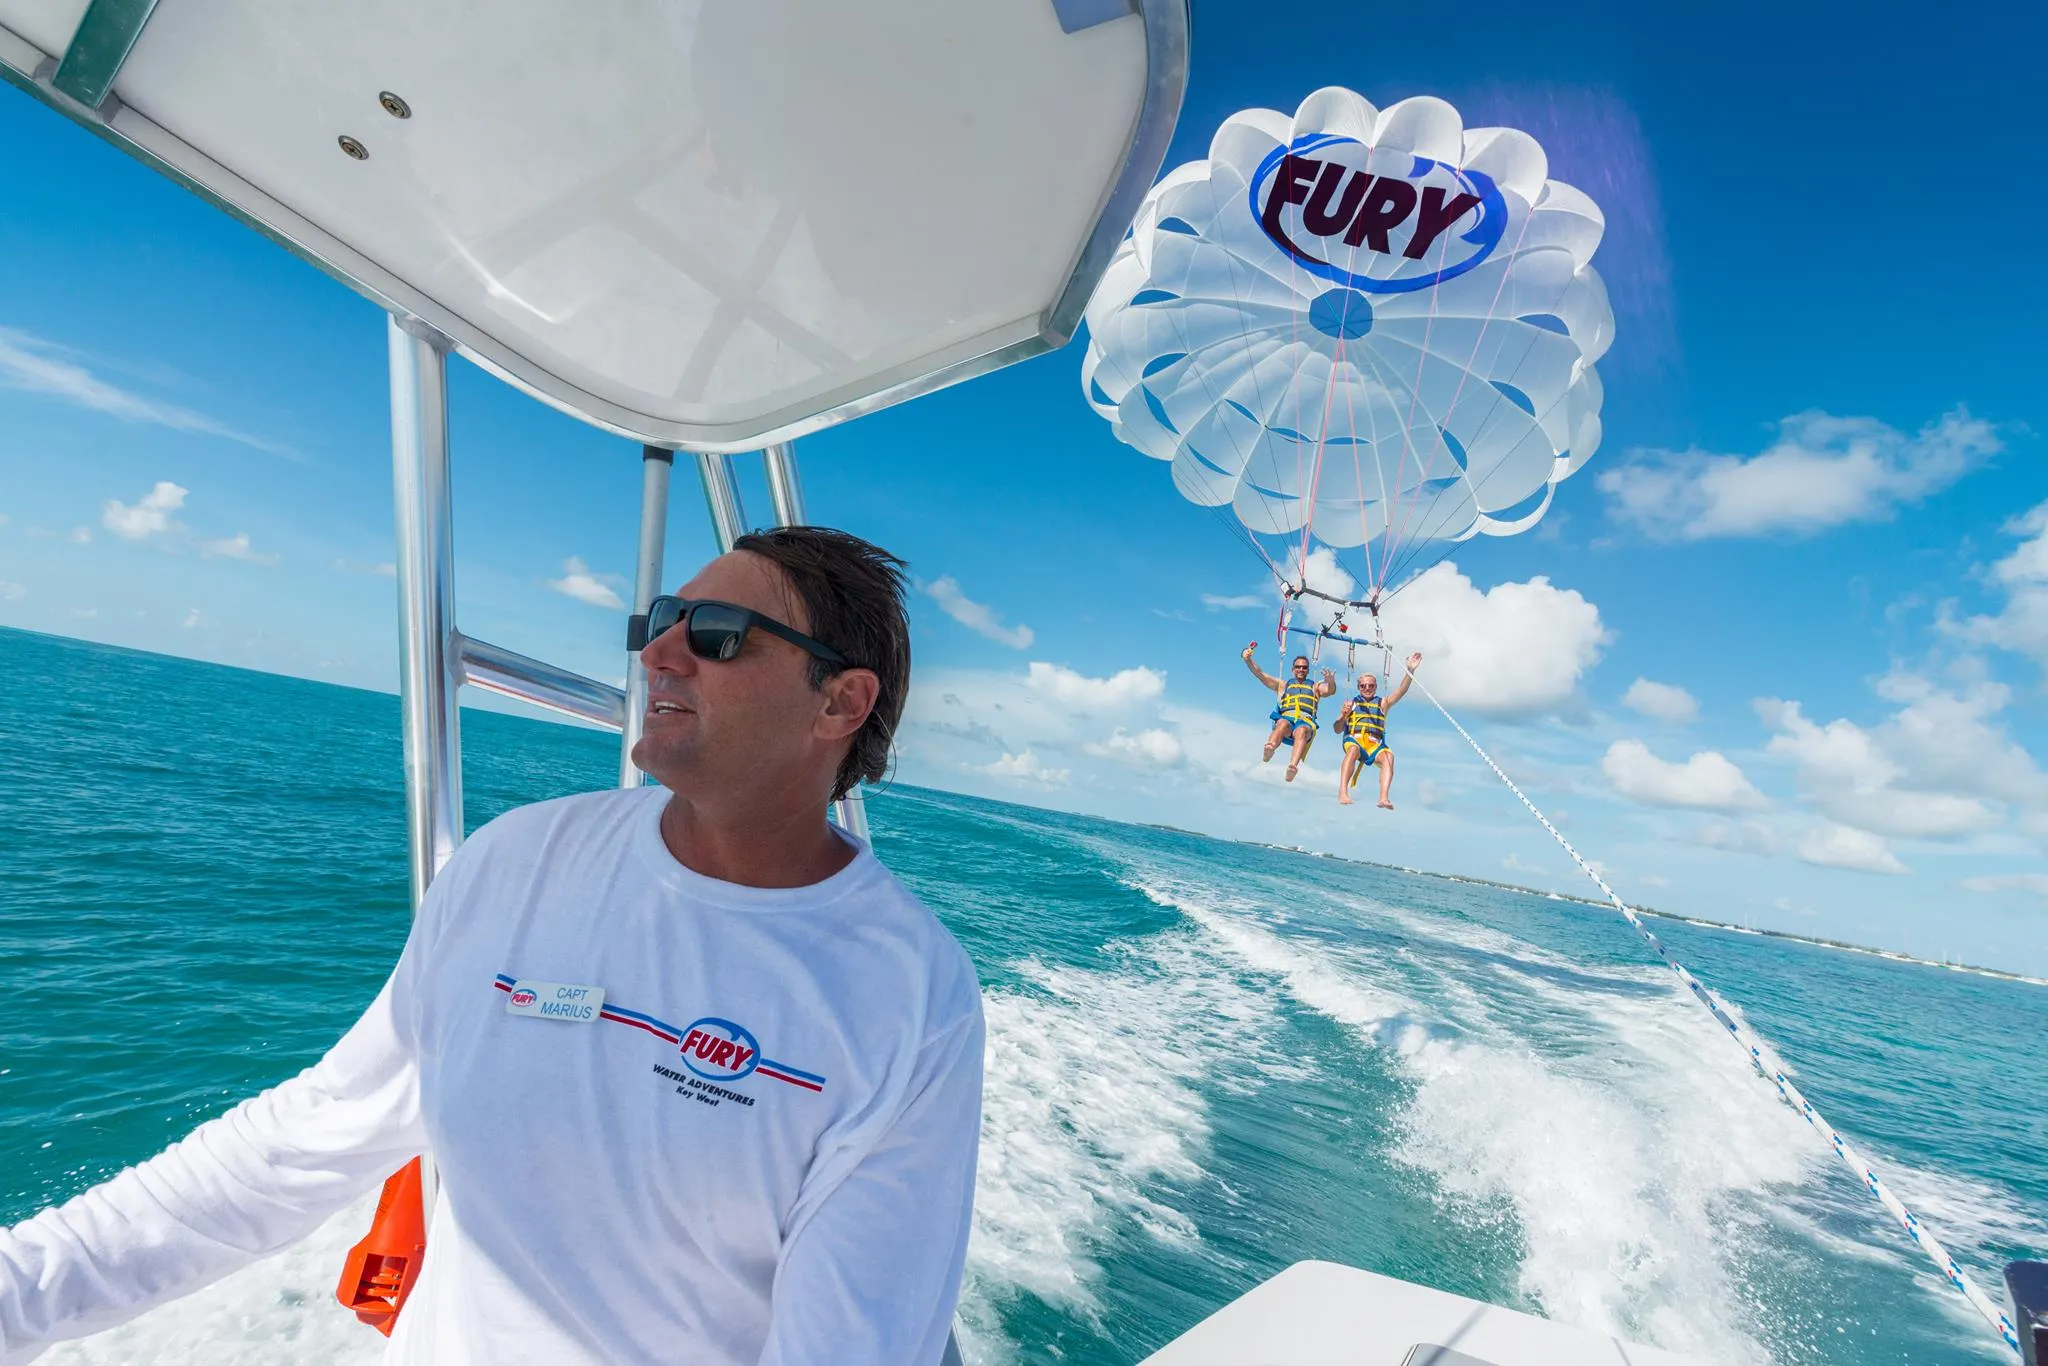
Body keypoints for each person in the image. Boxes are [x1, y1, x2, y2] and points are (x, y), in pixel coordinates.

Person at [0, 527, 984, 1366]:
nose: (658, 652)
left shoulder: (910, 994)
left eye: (716, 633)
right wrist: (21, 1291)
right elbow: (304, 1141)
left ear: (838, 703)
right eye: (661, 619)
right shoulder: (521, 858)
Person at [1334, 653, 1422, 809]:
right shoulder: (1350, 704)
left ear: (1375, 687)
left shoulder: (1383, 703)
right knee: (1353, 750)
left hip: (1374, 745)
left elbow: (1401, 691)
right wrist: (1343, 715)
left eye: (1371, 685)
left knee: (1389, 756)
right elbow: (1337, 729)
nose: (1367, 688)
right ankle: (1343, 792)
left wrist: (1410, 670)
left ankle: (1383, 798)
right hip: (1354, 740)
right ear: (1358, 687)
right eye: (1363, 686)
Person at [1244, 643, 1336, 782]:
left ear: (1308, 670)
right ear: (1293, 669)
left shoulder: (1315, 687)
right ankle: (1270, 748)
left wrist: (1331, 682)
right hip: (1286, 721)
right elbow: (1260, 675)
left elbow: (1330, 690)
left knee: (1302, 730)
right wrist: (1248, 660)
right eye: (1298, 667)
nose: (1301, 669)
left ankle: (1292, 766)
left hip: (1305, 722)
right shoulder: (1283, 685)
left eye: (1304, 667)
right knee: (1282, 723)